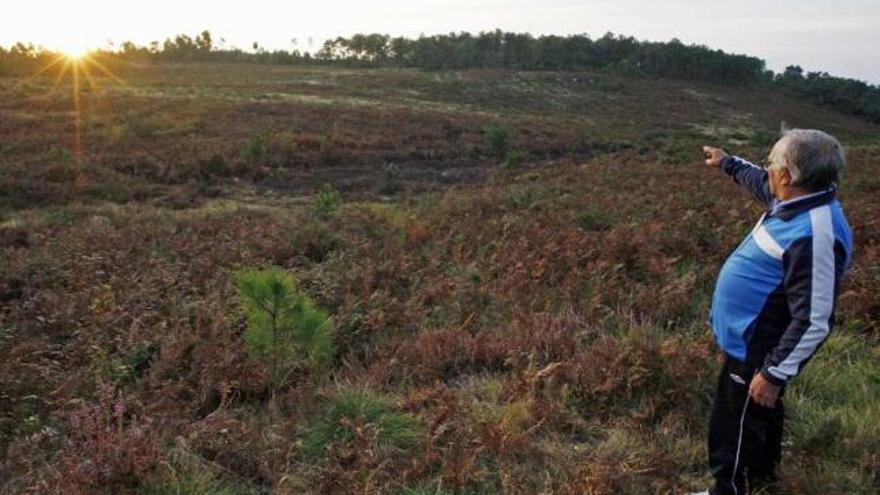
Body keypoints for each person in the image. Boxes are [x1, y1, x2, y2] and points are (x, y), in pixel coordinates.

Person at [692, 129, 853, 495]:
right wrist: (727, 163)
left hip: (759, 347)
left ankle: (729, 490)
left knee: (733, 428)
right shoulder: (798, 199)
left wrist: (773, 372)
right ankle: (761, 483)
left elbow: (814, 320)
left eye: (772, 163)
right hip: (751, 343)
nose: (766, 170)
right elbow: (757, 182)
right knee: (759, 417)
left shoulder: (815, 233)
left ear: (788, 176)